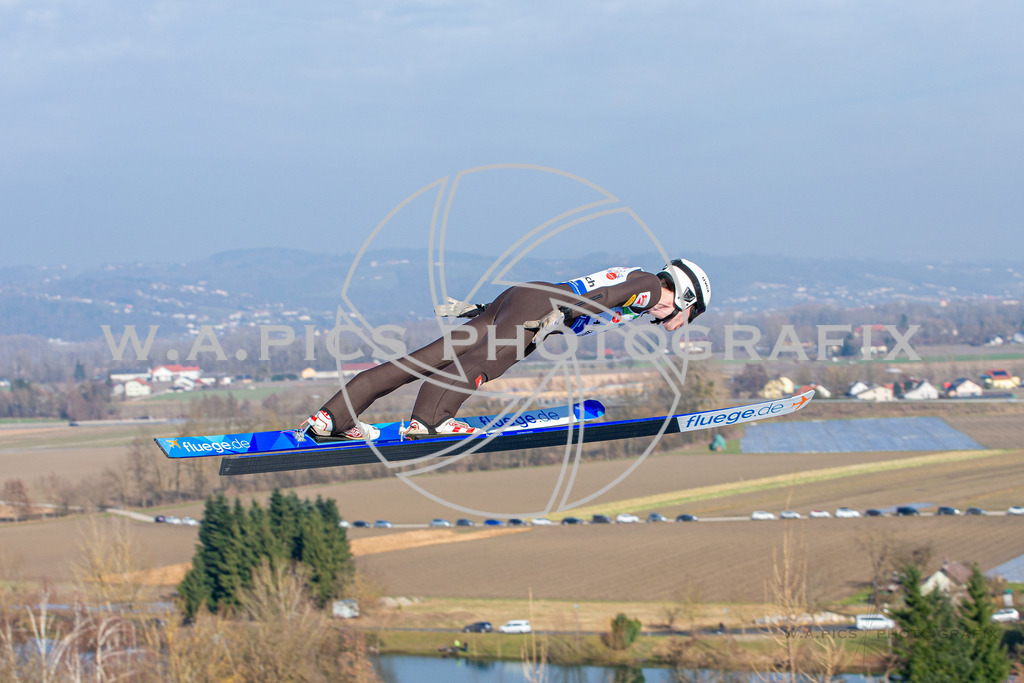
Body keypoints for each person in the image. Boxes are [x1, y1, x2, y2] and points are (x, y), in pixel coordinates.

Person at [299, 259, 710, 440]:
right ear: (685, 295)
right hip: (541, 307)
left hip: (523, 299)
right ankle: (429, 421)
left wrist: (484, 311)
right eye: (689, 315)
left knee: (421, 361)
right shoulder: (650, 287)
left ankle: (332, 418)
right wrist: (561, 312)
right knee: (487, 363)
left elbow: (597, 294)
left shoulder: (642, 298)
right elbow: (604, 294)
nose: (680, 324)